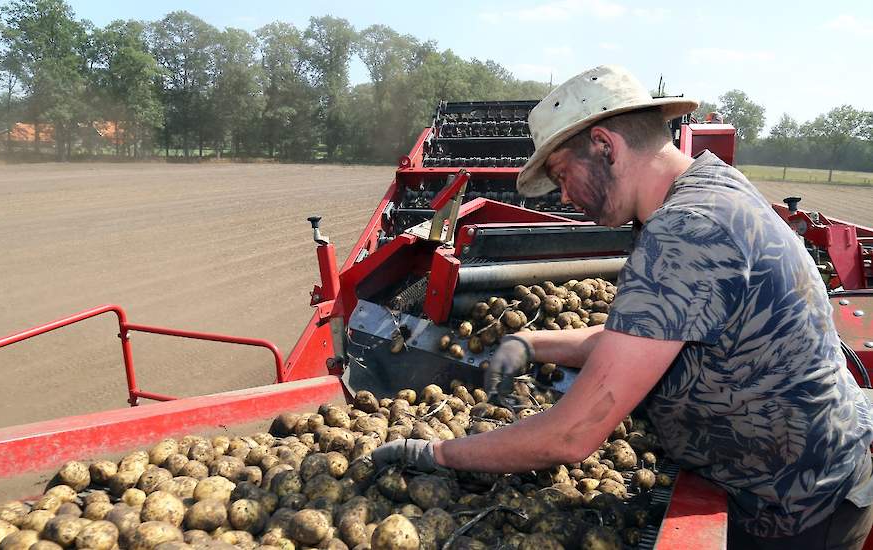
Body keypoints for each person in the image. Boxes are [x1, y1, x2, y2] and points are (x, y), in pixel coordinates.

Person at [372, 65, 873, 548]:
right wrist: (530, 340)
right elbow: (631, 345)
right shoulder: (711, 187)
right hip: (811, 483)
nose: (564, 198)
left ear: (605, 147)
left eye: (561, 175)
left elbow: (571, 436)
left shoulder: (685, 232)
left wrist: (436, 453)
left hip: (795, 513)